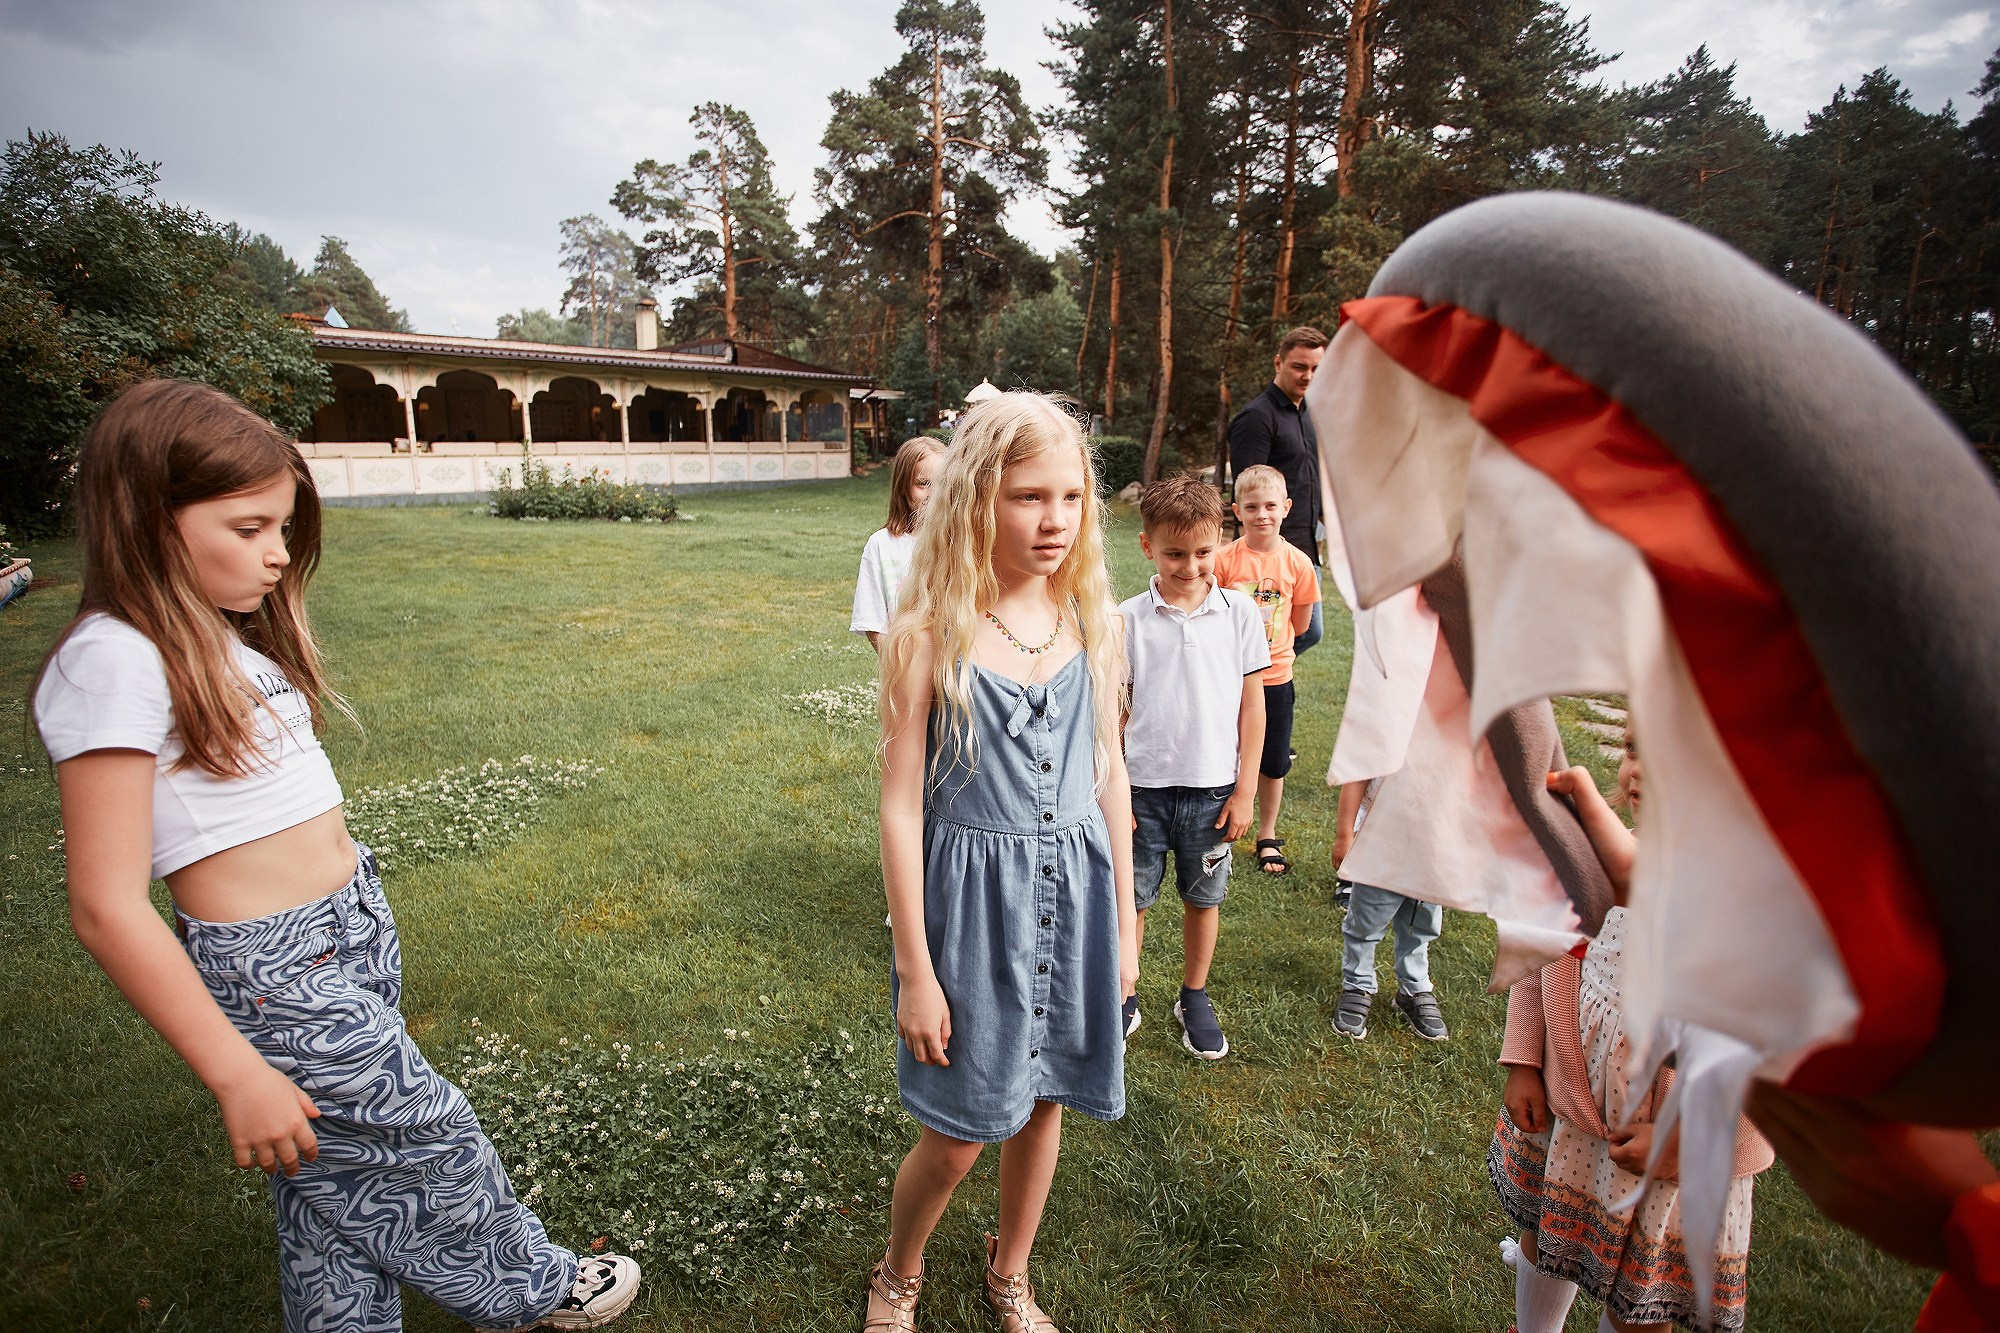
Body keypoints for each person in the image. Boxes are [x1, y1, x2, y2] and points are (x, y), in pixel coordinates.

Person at [32, 380, 640, 1333]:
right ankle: (528, 1286)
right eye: (249, 527)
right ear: (150, 518)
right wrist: (236, 1073)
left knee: (329, 1172)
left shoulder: (218, 642)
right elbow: (107, 905)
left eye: (282, 526)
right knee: (426, 1133)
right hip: (277, 972)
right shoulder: (111, 657)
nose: (278, 552)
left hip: (345, 931)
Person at [867, 392, 1137, 1333]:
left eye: (1071, 496)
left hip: (1077, 900)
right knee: (956, 1136)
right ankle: (900, 1270)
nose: (1055, 519)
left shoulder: (1091, 620)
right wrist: (916, 971)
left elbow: (1111, 780)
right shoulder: (928, 634)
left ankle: (1010, 1272)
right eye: (1029, 496)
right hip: (974, 912)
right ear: (977, 496)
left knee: (1045, 1104)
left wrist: (1128, 929)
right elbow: (901, 807)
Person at [1490, 735, 1773, 1333]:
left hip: (1670, 1155)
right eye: (1634, 746)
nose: (1641, 768)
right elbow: (1545, 953)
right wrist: (1523, 1059)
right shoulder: (1597, 863)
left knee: (1640, 1293)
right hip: (1574, 1118)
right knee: (1549, 1233)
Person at [1118, 475, 1268, 1058]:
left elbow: (1253, 707)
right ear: (1147, 546)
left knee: (1203, 898)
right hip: (1140, 792)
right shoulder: (1126, 620)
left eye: (1203, 552)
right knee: (1132, 899)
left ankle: (1194, 994)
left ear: (1221, 543)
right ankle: (1124, 992)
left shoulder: (1239, 615)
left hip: (1212, 793)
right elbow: (1114, 711)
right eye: (1175, 553)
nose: (1190, 565)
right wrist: (1117, 792)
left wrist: (1246, 792)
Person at [1214, 464, 1319, 877]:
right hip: (1226, 678)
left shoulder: (1299, 564)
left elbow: (1302, 624)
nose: (1262, 514)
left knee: (1273, 760)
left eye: (1270, 506)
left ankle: (1267, 834)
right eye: (1252, 506)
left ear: (1286, 508)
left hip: (1275, 678)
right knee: (1228, 752)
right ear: (1237, 510)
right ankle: (1222, 825)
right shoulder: (1223, 561)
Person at [1226, 326, 1327, 656]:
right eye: (1299, 366)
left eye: (1316, 368)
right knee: (1302, 632)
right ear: (1278, 363)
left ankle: (1266, 679)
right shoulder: (1256, 418)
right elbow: (1248, 492)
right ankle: (1254, 680)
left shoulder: (1308, 414)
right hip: (1271, 554)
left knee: (1302, 631)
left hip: (1305, 547)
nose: (1308, 376)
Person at [1327, 778, 1449, 1041]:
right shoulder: (1387, 735)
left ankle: (1413, 987)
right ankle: (1357, 984)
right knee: (1366, 920)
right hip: (1380, 838)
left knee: (1421, 920)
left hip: (1434, 843)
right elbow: (1359, 775)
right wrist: (1344, 834)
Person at [853, 437, 945, 651]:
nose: (933, 493)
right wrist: (902, 672)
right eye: (923, 484)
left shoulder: (962, 541)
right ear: (903, 487)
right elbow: (873, 623)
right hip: (905, 668)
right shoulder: (880, 545)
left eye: (942, 483)